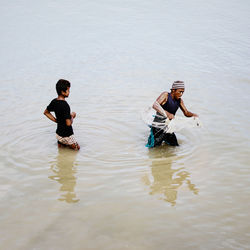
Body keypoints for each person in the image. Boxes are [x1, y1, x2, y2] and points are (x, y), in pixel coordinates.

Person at [147, 81, 198, 147]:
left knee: (175, 146)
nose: (181, 94)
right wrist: (167, 114)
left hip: (168, 127)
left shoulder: (179, 100)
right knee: (153, 149)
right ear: (173, 90)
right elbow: (155, 105)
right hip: (158, 127)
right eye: (180, 91)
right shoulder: (166, 95)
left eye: (183, 92)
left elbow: (186, 113)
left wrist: (194, 115)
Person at [44, 79, 80, 150]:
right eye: (68, 90)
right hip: (67, 135)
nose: (69, 92)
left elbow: (46, 112)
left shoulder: (54, 101)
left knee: (61, 152)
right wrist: (72, 116)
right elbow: (69, 123)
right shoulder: (65, 105)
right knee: (77, 149)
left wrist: (57, 121)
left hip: (58, 135)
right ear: (63, 92)